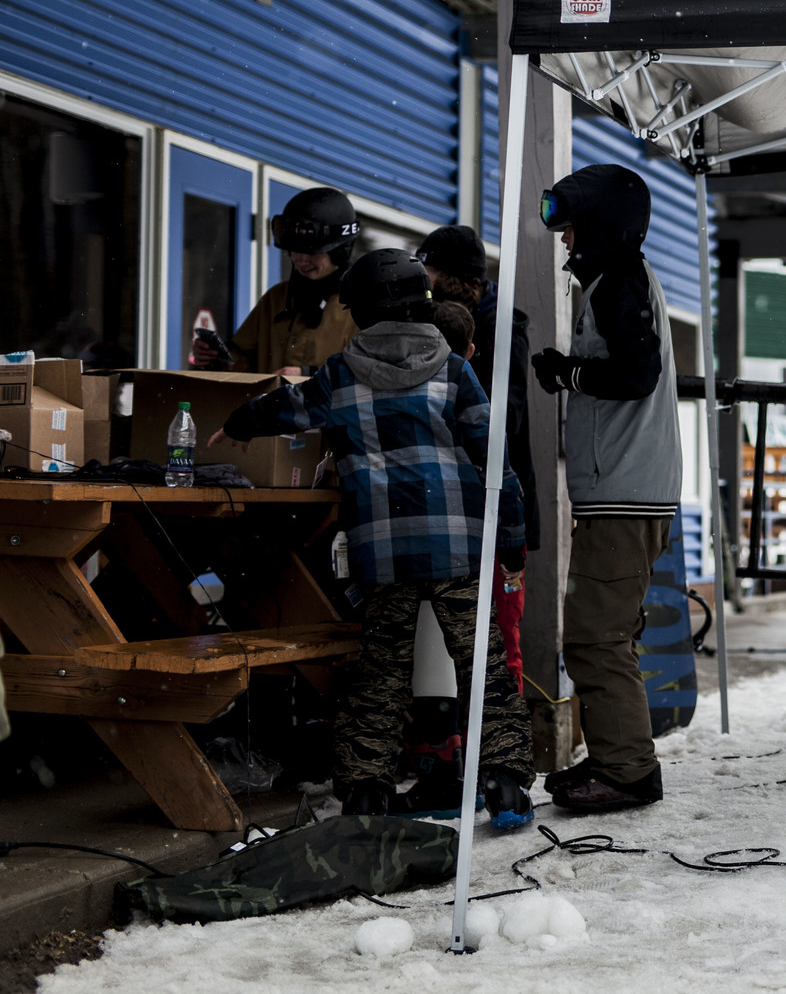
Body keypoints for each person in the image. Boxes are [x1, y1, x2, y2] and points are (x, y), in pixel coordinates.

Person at [211, 249, 534, 827]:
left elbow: (284, 410)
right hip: (457, 548)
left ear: (357, 312)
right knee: (484, 671)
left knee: (381, 676)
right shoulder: (454, 370)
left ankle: (365, 794)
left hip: (383, 554)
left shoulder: (338, 375)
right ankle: (505, 788)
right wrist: (511, 538)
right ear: (423, 305)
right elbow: (496, 462)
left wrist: (237, 422)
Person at [529, 164, 681, 814]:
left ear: (598, 227)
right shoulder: (613, 279)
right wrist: (572, 372)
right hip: (621, 490)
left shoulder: (619, 278)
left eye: (570, 229)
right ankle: (617, 756)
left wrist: (571, 374)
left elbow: (636, 373)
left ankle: (627, 770)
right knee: (603, 633)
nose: (565, 241)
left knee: (596, 637)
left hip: (626, 491)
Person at [416, 225, 536, 688]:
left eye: (430, 272)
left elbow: (507, 422)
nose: (424, 281)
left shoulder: (500, 330)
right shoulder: (436, 320)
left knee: (496, 635)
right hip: (450, 507)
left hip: (495, 506)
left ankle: (502, 730)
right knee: (450, 642)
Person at [193, 187, 361, 373]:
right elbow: (242, 363)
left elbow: (375, 376)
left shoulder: (365, 306)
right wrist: (215, 359)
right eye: (293, 250)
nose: (300, 259)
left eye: (311, 251)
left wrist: (310, 376)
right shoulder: (278, 298)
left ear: (339, 251)